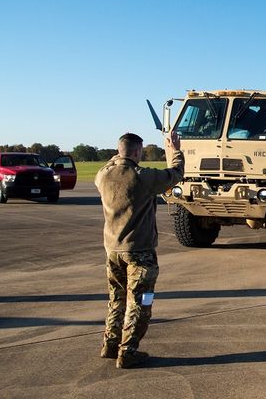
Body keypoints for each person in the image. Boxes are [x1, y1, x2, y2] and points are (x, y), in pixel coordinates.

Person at [95, 131, 184, 369]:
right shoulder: (142, 177)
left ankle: (110, 344)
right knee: (141, 303)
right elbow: (175, 174)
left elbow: (114, 161)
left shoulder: (103, 175)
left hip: (113, 251)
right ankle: (128, 352)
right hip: (140, 252)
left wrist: (121, 156)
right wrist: (175, 150)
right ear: (137, 152)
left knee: (116, 298)